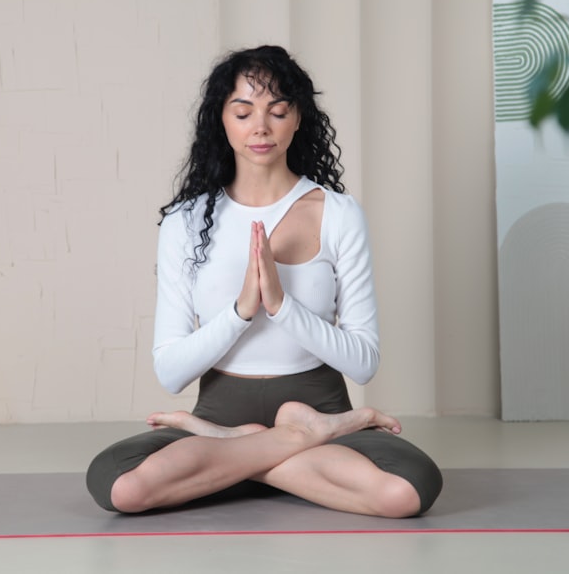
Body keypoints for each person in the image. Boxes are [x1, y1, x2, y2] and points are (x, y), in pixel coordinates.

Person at [86, 45, 443, 517]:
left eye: (277, 111)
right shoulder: (185, 223)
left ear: (297, 119)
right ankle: (291, 439)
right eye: (243, 112)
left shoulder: (338, 214)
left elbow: (364, 363)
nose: (260, 127)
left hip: (318, 405)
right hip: (228, 416)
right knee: (121, 487)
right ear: (222, 120)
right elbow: (171, 373)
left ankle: (241, 453)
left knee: (405, 492)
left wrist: (282, 306)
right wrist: (241, 312)